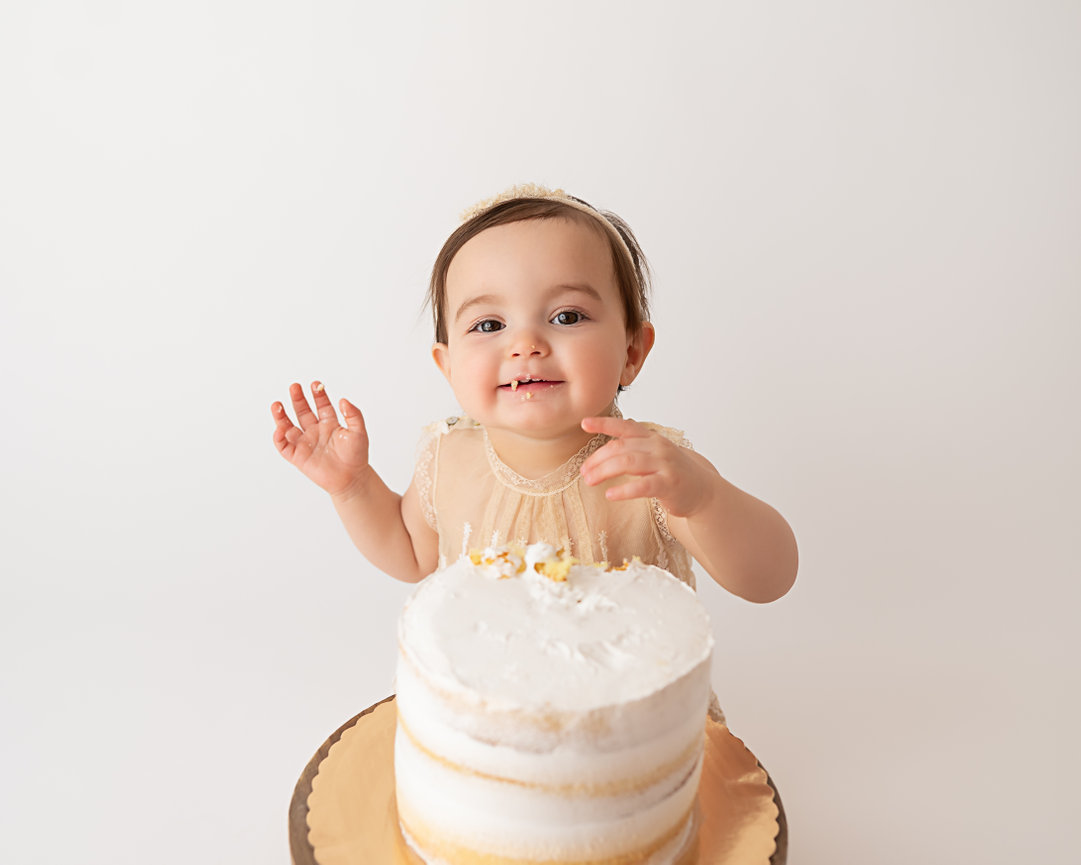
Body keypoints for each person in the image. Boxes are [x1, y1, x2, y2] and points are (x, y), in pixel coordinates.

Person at [271, 185, 797, 603]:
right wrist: (352, 487)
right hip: (486, 699)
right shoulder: (447, 458)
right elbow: (410, 554)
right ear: (448, 367)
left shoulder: (652, 470)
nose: (526, 344)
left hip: (616, 704)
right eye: (489, 324)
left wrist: (705, 499)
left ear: (632, 350)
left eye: (566, 316)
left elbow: (769, 579)